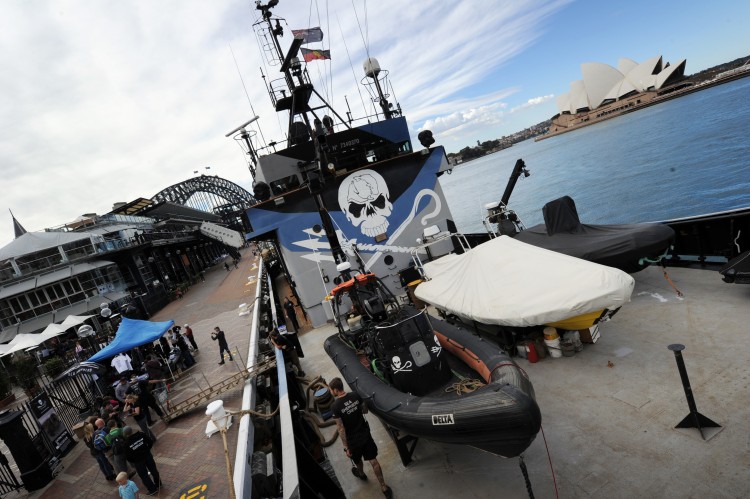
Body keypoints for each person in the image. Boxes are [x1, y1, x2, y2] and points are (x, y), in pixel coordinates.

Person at [329, 377, 392, 498]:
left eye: (331, 390)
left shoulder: (335, 407)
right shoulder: (355, 395)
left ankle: (362, 474)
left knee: (357, 461)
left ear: (336, 390)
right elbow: (365, 410)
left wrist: (346, 447)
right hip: (365, 434)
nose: (331, 392)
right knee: (373, 460)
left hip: (353, 441)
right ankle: (384, 486)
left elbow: (341, 428)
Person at [123, 425, 162, 496]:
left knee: (144, 475)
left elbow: (128, 457)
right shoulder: (141, 435)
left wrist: (134, 460)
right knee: (153, 470)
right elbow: (150, 442)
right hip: (147, 456)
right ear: (131, 430)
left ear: (125, 434)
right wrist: (147, 450)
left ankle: (152, 489)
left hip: (138, 462)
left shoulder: (126, 444)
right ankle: (158, 483)